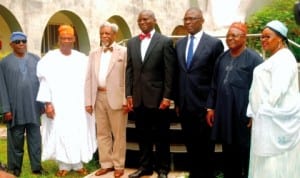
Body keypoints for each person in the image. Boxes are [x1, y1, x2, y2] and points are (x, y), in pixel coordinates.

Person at [36, 25, 97, 177]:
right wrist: (48, 104)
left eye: (69, 38)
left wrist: (89, 102)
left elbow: (90, 81)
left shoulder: (82, 59)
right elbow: (44, 83)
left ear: (74, 40)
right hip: (58, 105)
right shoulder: (50, 58)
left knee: (78, 132)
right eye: (63, 38)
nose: (66, 41)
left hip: (78, 105)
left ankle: (77, 165)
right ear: (59, 40)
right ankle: (63, 165)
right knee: (61, 132)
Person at [206, 22, 263, 178]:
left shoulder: (254, 59)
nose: (230, 38)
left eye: (234, 35)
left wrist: (254, 112)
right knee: (227, 149)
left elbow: (261, 89)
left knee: (244, 150)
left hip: (243, 113)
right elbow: (214, 85)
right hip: (224, 112)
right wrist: (210, 107)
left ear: (244, 38)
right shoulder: (222, 58)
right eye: (228, 35)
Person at [126, 10, 177, 178]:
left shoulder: (165, 42)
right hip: (139, 98)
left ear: (154, 21)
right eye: (140, 19)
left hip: (158, 99)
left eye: (146, 19)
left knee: (162, 136)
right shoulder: (132, 43)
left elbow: (170, 72)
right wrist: (129, 95)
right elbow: (130, 70)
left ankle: (163, 169)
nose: (142, 22)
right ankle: (145, 167)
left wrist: (167, 97)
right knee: (143, 136)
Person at [175, 7, 224, 178]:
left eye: (192, 18)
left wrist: (212, 105)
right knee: (191, 146)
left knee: (206, 149)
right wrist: (178, 101)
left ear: (202, 20)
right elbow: (178, 74)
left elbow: (217, 78)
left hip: (205, 107)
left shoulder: (214, 44)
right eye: (185, 19)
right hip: (185, 106)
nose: (188, 22)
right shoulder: (179, 44)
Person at [247, 20, 300, 178]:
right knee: (264, 164)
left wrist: (263, 111)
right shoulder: (275, 59)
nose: (263, 40)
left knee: (274, 165)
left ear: (281, 39)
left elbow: (278, 90)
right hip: (265, 121)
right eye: (262, 37)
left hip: (276, 124)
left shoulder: (284, 59)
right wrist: (253, 112)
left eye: (267, 37)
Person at [0, 32, 47, 177]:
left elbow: (43, 83)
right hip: (15, 109)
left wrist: (44, 103)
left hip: (33, 107)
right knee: (15, 140)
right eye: (18, 41)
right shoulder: (4, 63)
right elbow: (1, 87)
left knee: (35, 140)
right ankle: (14, 168)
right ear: (11, 44)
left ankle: (37, 167)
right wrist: (6, 109)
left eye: (24, 41)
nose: (21, 44)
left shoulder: (36, 60)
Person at [84, 21, 128, 178]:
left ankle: (119, 165)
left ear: (114, 35)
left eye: (107, 33)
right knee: (102, 133)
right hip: (98, 97)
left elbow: (127, 77)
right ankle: (106, 164)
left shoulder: (123, 52)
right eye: (102, 33)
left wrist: (126, 99)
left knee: (118, 134)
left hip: (117, 98)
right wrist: (88, 101)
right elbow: (89, 78)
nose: (104, 36)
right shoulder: (93, 53)